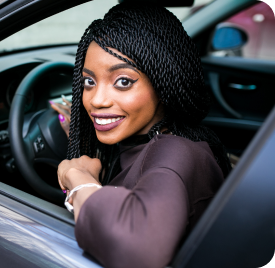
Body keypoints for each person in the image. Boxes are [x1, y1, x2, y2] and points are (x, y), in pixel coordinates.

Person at [50, 3, 230, 268]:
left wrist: (76, 177)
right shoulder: (147, 139)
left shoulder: (178, 154)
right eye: (89, 81)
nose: (96, 100)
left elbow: (138, 250)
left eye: (123, 81)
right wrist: (77, 133)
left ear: (163, 82)